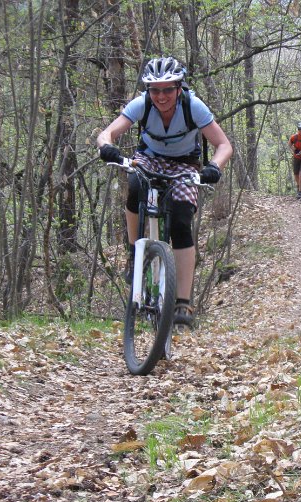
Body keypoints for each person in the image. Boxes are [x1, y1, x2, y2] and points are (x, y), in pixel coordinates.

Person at [97, 56, 233, 326]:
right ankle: (134, 252)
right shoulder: (142, 104)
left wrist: (214, 168)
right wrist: (107, 148)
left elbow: (224, 145)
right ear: (148, 90)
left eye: (168, 89)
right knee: (136, 187)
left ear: (179, 88)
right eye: (155, 90)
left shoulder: (194, 106)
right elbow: (106, 134)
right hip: (149, 158)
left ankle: (183, 303)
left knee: (182, 220)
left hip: (185, 164)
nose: (161, 96)